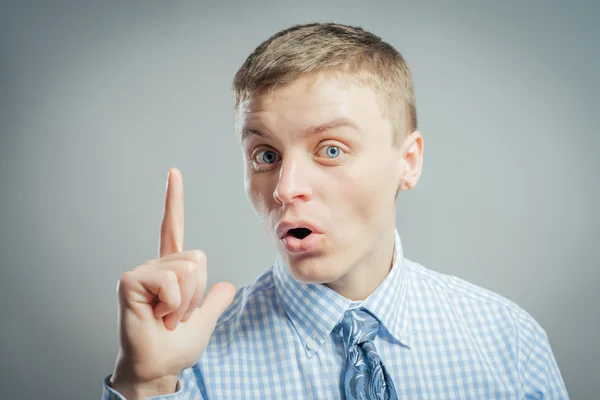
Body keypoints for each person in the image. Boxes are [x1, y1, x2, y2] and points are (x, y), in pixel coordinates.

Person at [102, 23, 568, 399]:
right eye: (265, 155)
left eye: (330, 150)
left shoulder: (510, 343)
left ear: (408, 162)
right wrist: (144, 387)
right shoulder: (190, 367)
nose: (285, 189)